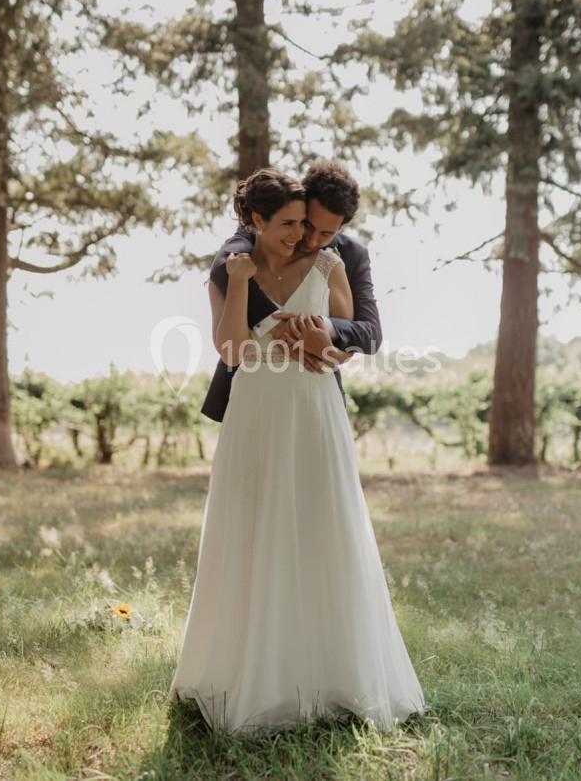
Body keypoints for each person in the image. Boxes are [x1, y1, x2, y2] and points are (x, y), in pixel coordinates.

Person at [168, 167, 426, 735]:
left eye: (318, 231)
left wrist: (323, 338)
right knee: (250, 526)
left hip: (313, 411)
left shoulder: (337, 259)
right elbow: (232, 345)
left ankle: (333, 674)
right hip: (255, 410)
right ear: (264, 219)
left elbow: (360, 336)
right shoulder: (234, 257)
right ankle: (247, 671)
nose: (307, 238)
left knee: (322, 526)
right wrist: (248, 293)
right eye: (299, 226)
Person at [199, 159, 382, 422]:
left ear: (341, 229)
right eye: (308, 224)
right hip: (253, 391)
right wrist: (277, 323)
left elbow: (370, 333)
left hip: (314, 394)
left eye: (326, 233)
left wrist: (321, 334)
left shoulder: (349, 257)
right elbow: (221, 266)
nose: (310, 239)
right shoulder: (262, 235)